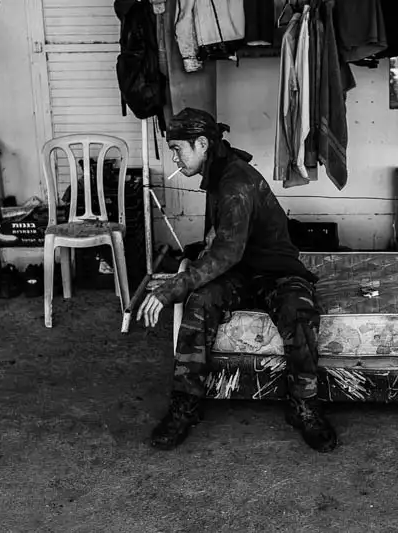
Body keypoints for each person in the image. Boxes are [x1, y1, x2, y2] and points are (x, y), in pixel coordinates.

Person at [137, 108, 337, 453]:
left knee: (299, 311)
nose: (174, 158)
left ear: (202, 144)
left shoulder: (235, 182)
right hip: (240, 270)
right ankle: (185, 404)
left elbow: (227, 252)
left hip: (275, 270)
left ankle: (304, 405)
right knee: (199, 303)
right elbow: (224, 244)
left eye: (177, 149)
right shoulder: (217, 173)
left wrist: (173, 287)